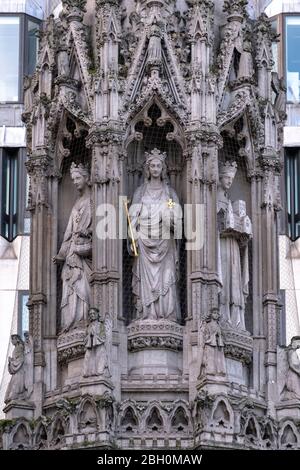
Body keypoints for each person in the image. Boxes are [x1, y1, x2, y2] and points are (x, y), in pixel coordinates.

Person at [129, 148, 181, 322]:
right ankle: (147, 313)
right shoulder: (140, 192)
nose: (156, 168)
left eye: (159, 165)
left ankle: (167, 314)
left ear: (163, 168)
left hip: (165, 242)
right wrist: (133, 234)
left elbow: (176, 217)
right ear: (148, 168)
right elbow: (133, 218)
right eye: (152, 165)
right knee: (146, 282)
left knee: (166, 279)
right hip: (144, 242)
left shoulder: (169, 194)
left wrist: (171, 217)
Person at [53, 163, 92, 332]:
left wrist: (87, 232)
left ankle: (83, 320)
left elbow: (100, 230)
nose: (75, 182)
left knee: (82, 285)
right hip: (72, 253)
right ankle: (72, 323)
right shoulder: (77, 202)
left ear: (87, 178)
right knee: (69, 284)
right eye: (73, 179)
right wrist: (62, 254)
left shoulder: (94, 200)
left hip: (84, 252)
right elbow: (69, 232)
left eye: (78, 178)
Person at [217, 161, 251, 330]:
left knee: (234, 282)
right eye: (227, 178)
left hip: (233, 247)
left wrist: (243, 231)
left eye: (231, 178)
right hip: (221, 246)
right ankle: (223, 316)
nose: (230, 181)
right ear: (219, 177)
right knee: (224, 280)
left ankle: (236, 319)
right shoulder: (213, 198)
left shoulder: (231, 201)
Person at [83, 308, 110, 378]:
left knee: (100, 356)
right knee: (88, 357)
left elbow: (103, 336)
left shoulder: (100, 325)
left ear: (97, 314)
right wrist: (90, 336)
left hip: (99, 345)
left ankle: (99, 371)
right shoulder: (88, 326)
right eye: (90, 314)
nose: (92, 315)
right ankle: (88, 372)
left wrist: (95, 335)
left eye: (93, 313)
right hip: (90, 345)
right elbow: (85, 338)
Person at [198, 310, 226, 378]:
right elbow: (205, 336)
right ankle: (210, 371)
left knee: (218, 359)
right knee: (210, 359)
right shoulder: (208, 325)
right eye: (214, 313)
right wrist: (213, 336)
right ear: (211, 315)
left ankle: (219, 371)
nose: (216, 315)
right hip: (210, 344)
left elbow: (223, 336)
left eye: (217, 313)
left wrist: (219, 337)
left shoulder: (219, 326)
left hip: (218, 345)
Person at [5, 335, 26, 403]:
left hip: (19, 370)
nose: (12, 342)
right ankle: (12, 397)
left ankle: (17, 396)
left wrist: (12, 361)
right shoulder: (15, 348)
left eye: (13, 340)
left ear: (17, 339)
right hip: (16, 370)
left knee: (17, 385)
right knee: (12, 385)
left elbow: (21, 359)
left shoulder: (20, 347)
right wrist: (11, 362)